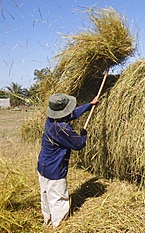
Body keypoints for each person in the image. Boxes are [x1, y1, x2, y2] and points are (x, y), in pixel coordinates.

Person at [37, 93, 98, 228]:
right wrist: (83, 134)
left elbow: (73, 114)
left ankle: (47, 223)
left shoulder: (51, 120)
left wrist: (89, 105)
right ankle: (59, 227)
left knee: (46, 196)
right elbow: (78, 144)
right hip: (55, 170)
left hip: (43, 166)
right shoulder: (62, 129)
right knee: (58, 200)